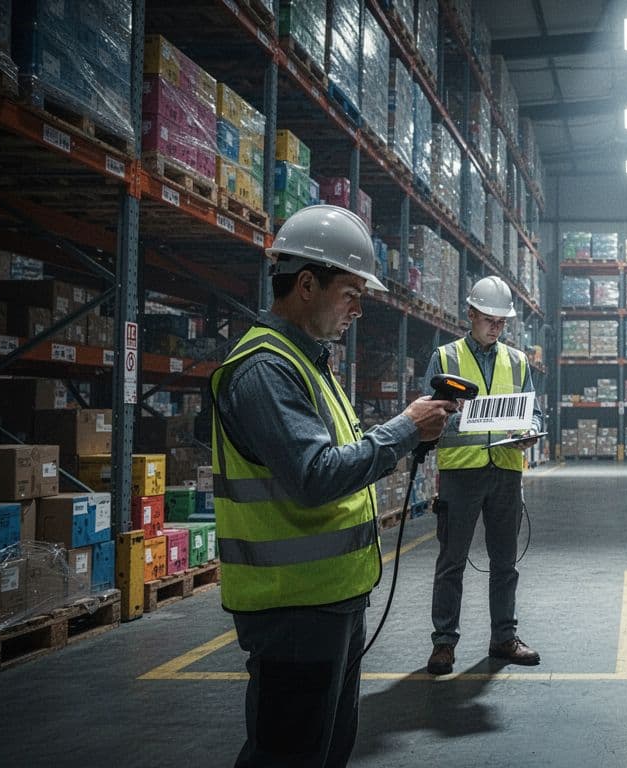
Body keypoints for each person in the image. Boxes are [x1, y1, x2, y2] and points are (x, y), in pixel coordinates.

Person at [211, 204, 459, 766]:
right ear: (305, 285)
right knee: (289, 754)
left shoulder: (307, 361)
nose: (360, 309)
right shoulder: (264, 369)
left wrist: (405, 431)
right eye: (351, 292)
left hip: (332, 597)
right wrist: (404, 429)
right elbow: (316, 475)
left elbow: (339, 454)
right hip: (292, 609)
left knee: (327, 746)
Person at [424, 275, 544, 675]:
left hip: (506, 471)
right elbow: (428, 416)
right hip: (461, 474)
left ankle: (504, 637)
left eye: (502, 321)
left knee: (505, 562)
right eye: (489, 317)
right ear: (471, 314)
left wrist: (530, 430)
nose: (496, 326)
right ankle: (444, 643)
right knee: (452, 561)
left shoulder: (518, 361)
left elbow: (533, 411)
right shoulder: (445, 358)